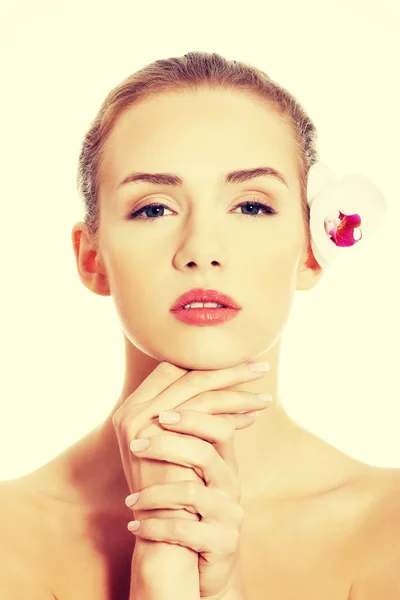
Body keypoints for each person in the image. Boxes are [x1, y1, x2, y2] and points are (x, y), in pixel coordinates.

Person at [1, 51, 398, 599]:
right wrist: (160, 574)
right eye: (154, 209)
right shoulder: (10, 533)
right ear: (92, 257)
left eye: (252, 206)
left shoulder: (388, 528)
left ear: (311, 249)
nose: (202, 251)